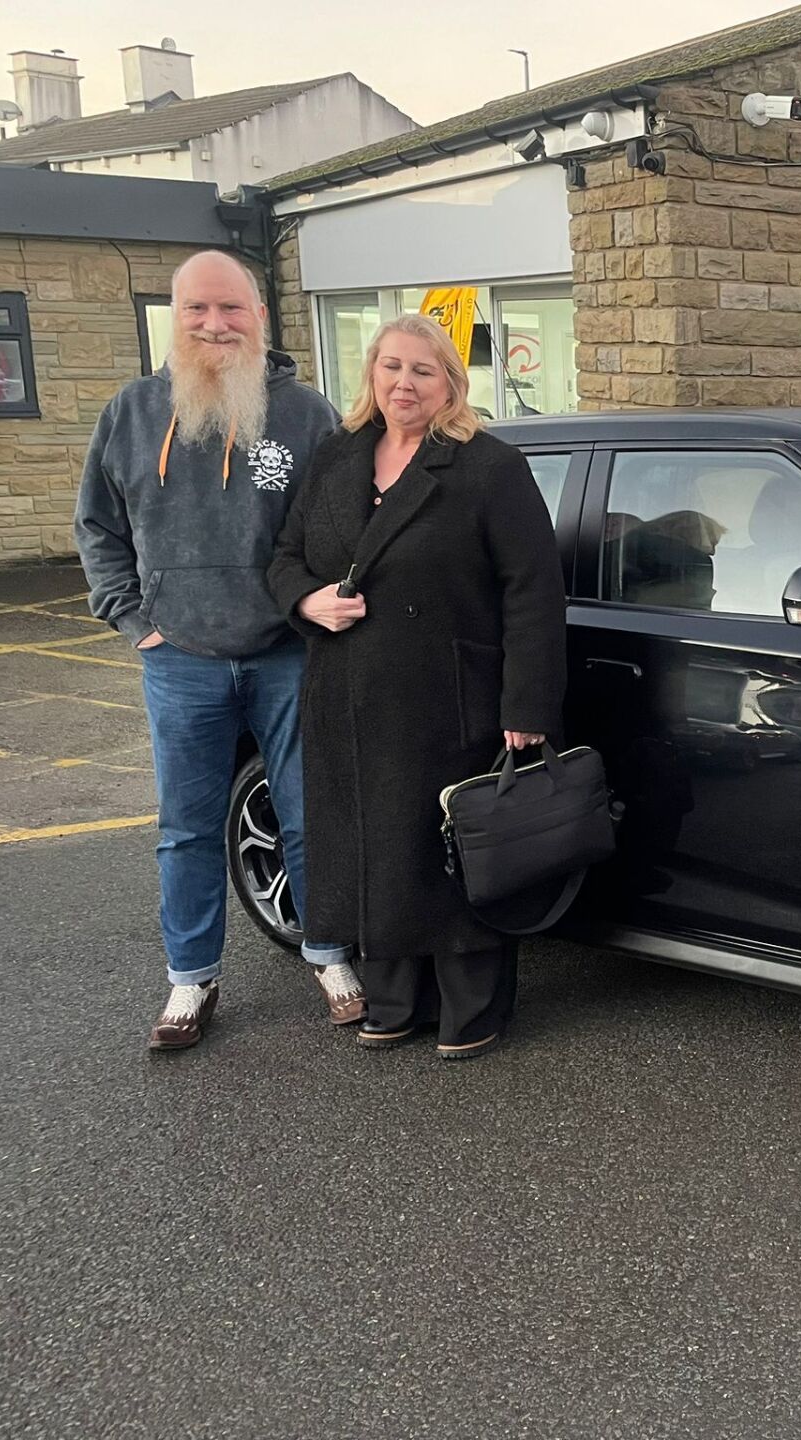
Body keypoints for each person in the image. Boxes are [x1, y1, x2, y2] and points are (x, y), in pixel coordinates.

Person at [75, 250, 363, 1050]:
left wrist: (316, 607)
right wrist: (136, 620)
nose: (215, 324)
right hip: (181, 658)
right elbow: (97, 528)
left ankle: (330, 953)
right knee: (187, 828)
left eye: (231, 309)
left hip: (287, 655)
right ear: (176, 318)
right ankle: (190, 978)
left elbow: (339, 529)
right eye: (198, 309)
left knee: (312, 816)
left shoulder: (305, 413)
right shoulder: (131, 413)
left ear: (259, 317)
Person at [266, 315, 565, 1059]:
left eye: (423, 371)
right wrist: (307, 600)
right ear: (371, 375)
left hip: (449, 693)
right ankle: (394, 999)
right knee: (373, 851)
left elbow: (533, 591)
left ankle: (474, 1010)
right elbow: (283, 557)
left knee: (449, 853)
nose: (405, 383)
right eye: (392, 367)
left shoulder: (487, 466)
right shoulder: (337, 456)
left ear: (451, 384)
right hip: (346, 691)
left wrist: (526, 705)